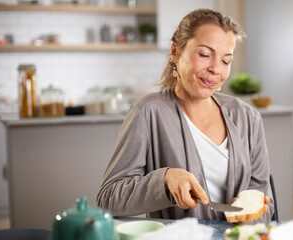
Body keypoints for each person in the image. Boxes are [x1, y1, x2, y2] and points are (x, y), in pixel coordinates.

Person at [97, 8, 274, 224]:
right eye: (204, 55)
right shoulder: (148, 112)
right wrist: (165, 180)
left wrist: (251, 215)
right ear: (175, 52)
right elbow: (108, 198)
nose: (216, 69)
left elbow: (265, 202)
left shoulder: (248, 118)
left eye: (226, 61)